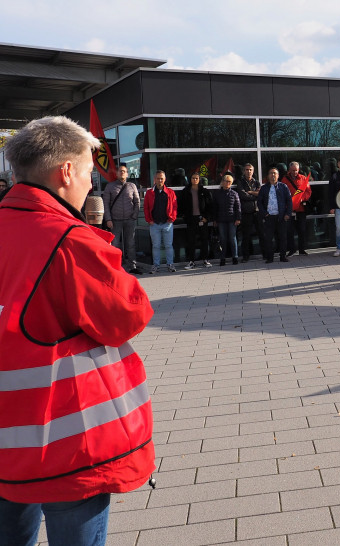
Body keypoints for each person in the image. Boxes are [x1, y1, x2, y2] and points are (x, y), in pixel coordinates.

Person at [0, 116, 155, 546]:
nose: (91, 185)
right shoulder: (69, 240)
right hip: (62, 443)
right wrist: (99, 244)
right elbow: (128, 315)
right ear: (66, 171)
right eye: (89, 172)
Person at [102, 164, 142, 274]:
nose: (122, 173)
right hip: (115, 220)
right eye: (120, 171)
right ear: (116, 173)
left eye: (124, 171)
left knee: (130, 243)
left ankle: (132, 266)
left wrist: (134, 216)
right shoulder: (110, 186)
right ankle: (116, 267)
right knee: (115, 244)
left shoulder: (132, 186)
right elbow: (105, 204)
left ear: (127, 174)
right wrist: (108, 219)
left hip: (130, 220)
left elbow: (137, 202)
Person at [143, 170, 178, 273]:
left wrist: (172, 218)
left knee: (168, 245)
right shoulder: (150, 193)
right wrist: (148, 220)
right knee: (156, 246)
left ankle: (170, 264)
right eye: (158, 178)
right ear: (155, 179)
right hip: (154, 224)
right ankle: (156, 265)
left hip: (167, 224)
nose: (160, 180)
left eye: (162, 178)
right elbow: (145, 207)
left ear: (165, 179)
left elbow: (175, 206)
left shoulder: (170, 192)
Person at [257, 167, 293, 263]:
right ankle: (270, 257)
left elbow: (289, 201)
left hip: (281, 216)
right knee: (268, 238)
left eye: (275, 173)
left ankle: (283, 256)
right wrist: (265, 214)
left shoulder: (283, 187)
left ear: (278, 175)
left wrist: (288, 214)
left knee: (282, 238)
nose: (273, 175)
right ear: (268, 176)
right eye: (271, 173)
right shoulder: (264, 188)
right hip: (269, 217)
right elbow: (259, 202)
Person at [179, 172, 213, 269]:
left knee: (204, 240)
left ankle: (205, 260)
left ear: (199, 180)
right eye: (193, 178)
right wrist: (184, 217)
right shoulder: (186, 191)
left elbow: (210, 206)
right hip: (191, 219)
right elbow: (181, 206)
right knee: (191, 241)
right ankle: (191, 261)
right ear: (190, 179)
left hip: (202, 219)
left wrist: (207, 217)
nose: (194, 180)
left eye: (196, 178)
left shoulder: (204, 191)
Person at [281, 161, 312, 256]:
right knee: (289, 230)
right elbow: (282, 192)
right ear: (289, 170)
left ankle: (302, 249)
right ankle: (292, 249)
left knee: (302, 230)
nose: (295, 172)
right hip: (290, 209)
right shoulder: (284, 179)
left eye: (296, 170)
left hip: (301, 209)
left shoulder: (303, 178)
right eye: (293, 170)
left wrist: (303, 198)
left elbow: (308, 191)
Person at [213, 173, 242, 266]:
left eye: (230, 182)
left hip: (232, 220)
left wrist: (238, 218)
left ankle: (235, 257)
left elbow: (238, 208)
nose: (228, 183)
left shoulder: (234, 194)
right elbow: (215, 208)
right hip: (221, 220)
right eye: (226, 181)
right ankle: (222, 259)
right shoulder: (217, 194)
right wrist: (214, 220)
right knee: (223, 239)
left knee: (232, 239)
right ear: (222, 182)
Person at [235, 163, 261, 262]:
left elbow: (261, 194)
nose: (248, 171)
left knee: (261, 234)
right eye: (246, 169)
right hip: (246, 212)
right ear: (243, 171)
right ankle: (246, 256)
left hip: (257, 211)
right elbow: (242, 195)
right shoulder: (240, 182)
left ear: (253, 171)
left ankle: (266, 254)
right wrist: (255, 195)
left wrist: (250, 192)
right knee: (246, 236)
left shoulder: (256, 182)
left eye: (250, 169)